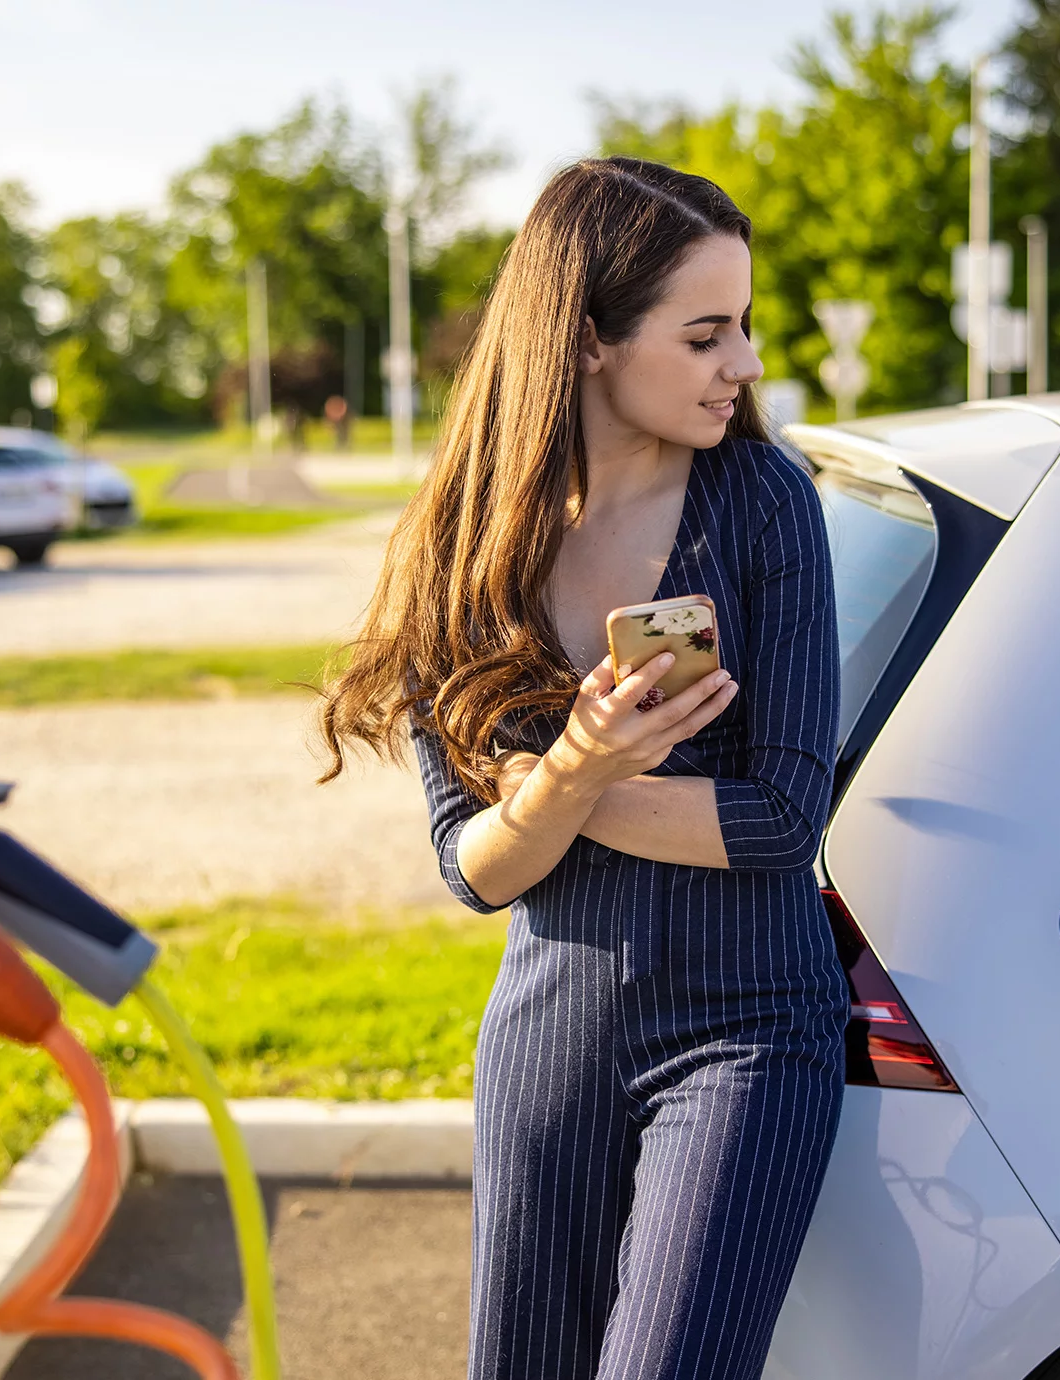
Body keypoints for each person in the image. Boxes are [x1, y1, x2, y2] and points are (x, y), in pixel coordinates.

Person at [318, 157, 843, 1380]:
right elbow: (478, 871)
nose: (748, 364)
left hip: (750, 1033)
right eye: (708, 333)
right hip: (551, 1038)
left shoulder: (766, 503)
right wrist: (575, 771)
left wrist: (558, 789)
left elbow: (777, 820)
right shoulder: (463, 551)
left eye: (746, 327)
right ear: (590, 340)